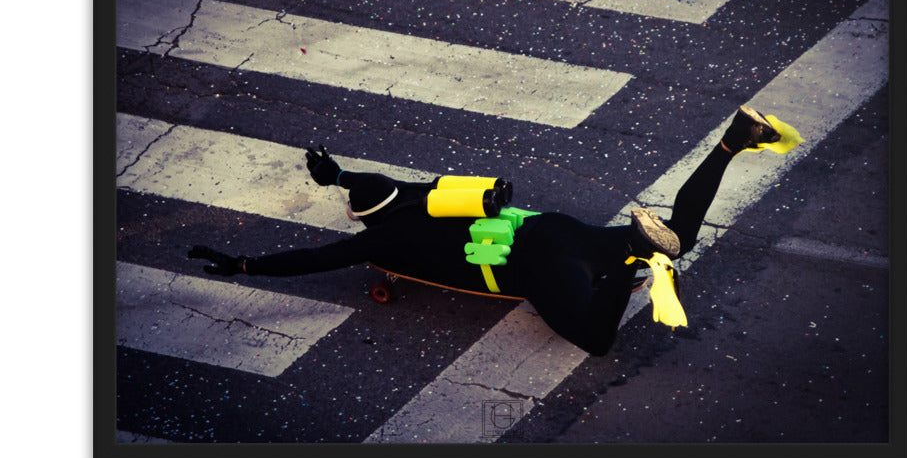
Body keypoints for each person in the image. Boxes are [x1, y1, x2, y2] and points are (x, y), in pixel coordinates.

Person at [188, 106, 798, 356]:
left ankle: (632, 258)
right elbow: (369, 183)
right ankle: (732, 140)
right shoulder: (428, 194)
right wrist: (338, 173)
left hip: (532, 266)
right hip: (556, 230)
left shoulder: (378, 241)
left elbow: (314, 259)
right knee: (683, 235)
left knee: (596, 341)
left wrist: (244, 265)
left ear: (364, 221)